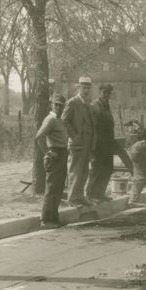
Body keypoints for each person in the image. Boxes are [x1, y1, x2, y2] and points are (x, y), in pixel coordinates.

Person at [86, 83, 133, 202]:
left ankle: (100, 193)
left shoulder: (107, 106)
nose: (106, 95)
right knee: (96, 170)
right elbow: (92, 127)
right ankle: (91, 195)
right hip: (97, 144)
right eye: (104, 93)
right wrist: (92, 145)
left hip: (108, 143)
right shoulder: (94, 106)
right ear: (99, 92)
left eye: (108, 93)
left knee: (108, 168)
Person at [34, 92, 69, 228]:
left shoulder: (60, 119)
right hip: (55, 154)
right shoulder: (50, 119)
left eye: (61, 106)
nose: (59, 108)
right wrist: (48, 153)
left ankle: (54, 217)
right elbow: (38, 137)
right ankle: (46, 219)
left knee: (59, 187)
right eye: (56, 105)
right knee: (51, 188)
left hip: (62, 153)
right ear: (52, 105)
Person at [60, 76, 95, 206]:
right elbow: (64, 121)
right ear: (78, 88)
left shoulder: (87, 104)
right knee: (75, 171)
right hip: (77, 143)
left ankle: (80, 196)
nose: (86, 91)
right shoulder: (72, 103)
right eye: (84, 88)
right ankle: (72, 199)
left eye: (88, 88)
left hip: (87, 143)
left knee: (84, 171)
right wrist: (74, 136)